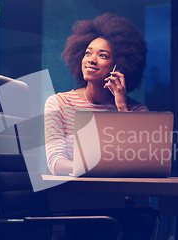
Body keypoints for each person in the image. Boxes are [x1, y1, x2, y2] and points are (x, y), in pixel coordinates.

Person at [45, 13, 148, 176]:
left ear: (119, 66)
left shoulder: (137, 111)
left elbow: (140, 164)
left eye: (103, 55)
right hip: (79, 197)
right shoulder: (59, 104)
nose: (91, 60)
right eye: (88, 53)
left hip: (124, 199)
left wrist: (122, 107)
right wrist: (104, 167)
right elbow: (55, 163)